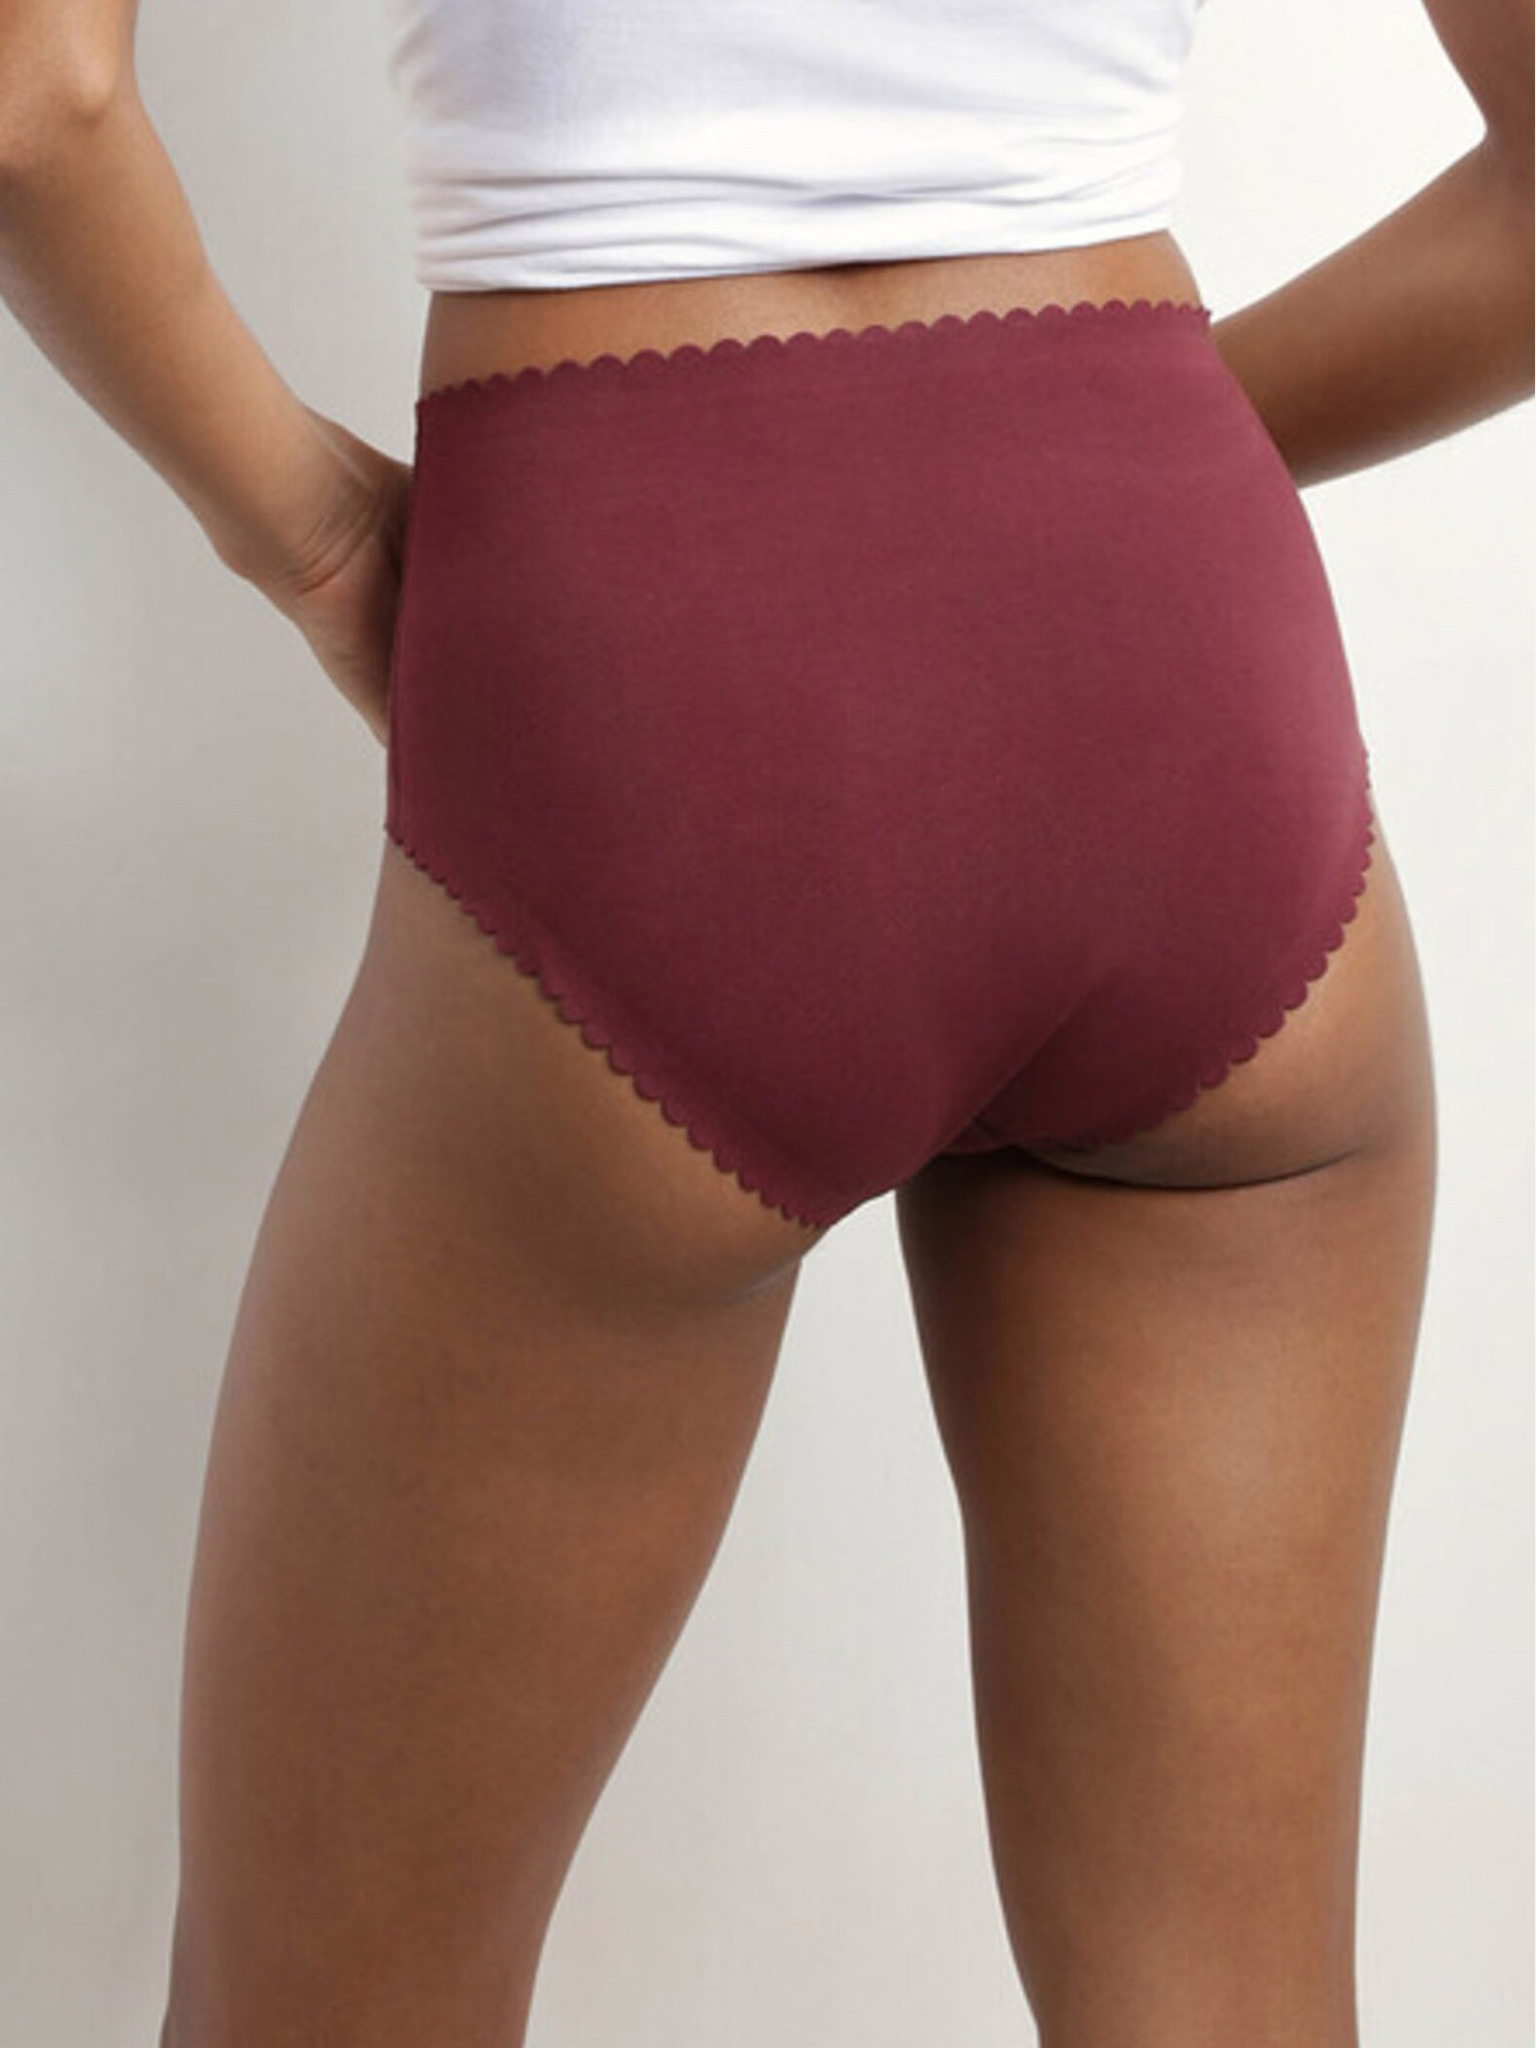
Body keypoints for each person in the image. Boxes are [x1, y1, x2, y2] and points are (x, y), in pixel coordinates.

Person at [0, 0, 1529, 2040]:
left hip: (658, 662)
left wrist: (323, 536)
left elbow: (38, 103)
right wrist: (1107, 474)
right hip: (1183, 657)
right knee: (1226, 2001)